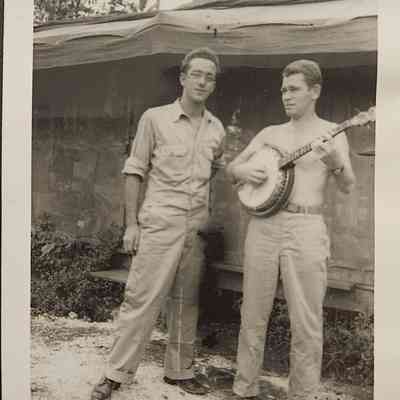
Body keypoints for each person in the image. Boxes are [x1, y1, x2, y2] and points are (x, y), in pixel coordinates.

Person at [90, 47, 225, 400]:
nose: (202, 82)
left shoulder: (216, 128)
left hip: (195, 227)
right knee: (142, 298)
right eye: (196, 74)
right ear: (183, 78)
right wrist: (131, 225)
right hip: (160, 222)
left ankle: (179, 371)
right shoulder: (155, 119)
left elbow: (212, 170)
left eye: (210, 77)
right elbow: (134, 171)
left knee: (186, 300)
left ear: (214, 84)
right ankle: (115, 374)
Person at [226, 59, 356, 400]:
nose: (286, 95)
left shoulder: (333, 132)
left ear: (315, 91)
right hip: (263, 226)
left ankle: (303, 394)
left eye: (294, 89)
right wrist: (243, 173)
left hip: (306, 227)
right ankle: (244, 389)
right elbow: (232, 168)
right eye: (284, 89)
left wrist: (334, 162)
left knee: (306, 321)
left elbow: (348, 186)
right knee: (253, 314)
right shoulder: (270, 134)